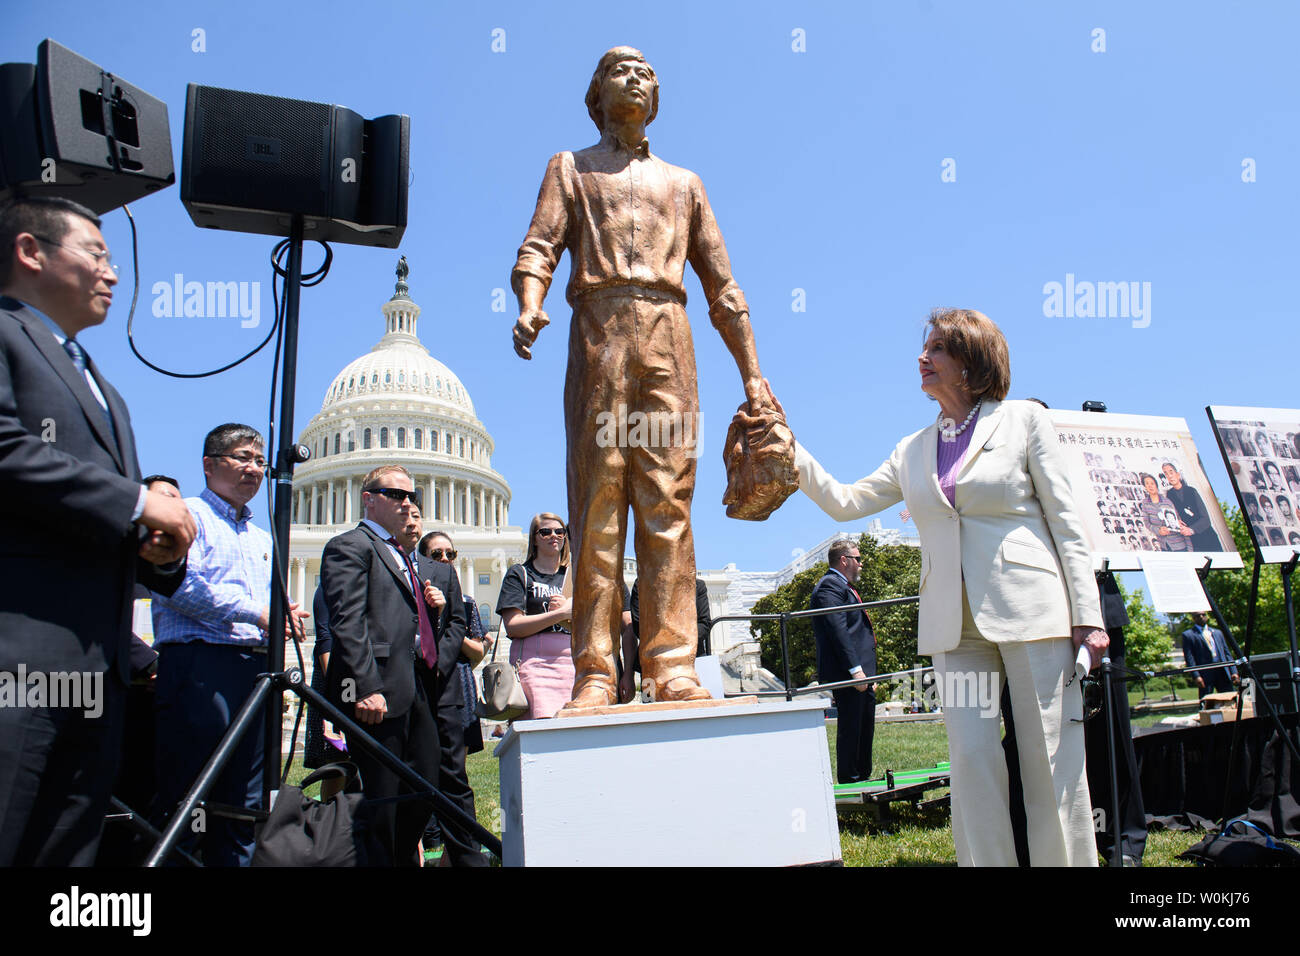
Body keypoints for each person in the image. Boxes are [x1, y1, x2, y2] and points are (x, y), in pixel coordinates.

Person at [771, 307, 1107, 867]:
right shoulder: (911, 449)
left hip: (1035, 611)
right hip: (953, 626)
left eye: (936, 350)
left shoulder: (1024, 421)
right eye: (924, 349)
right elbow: (846, 501)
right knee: (972, 762)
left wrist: (1088, 615)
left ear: (971, 362)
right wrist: (790, 446)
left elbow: (1068, 524)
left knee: (1051, 760)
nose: (921, 359)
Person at [511, 46, 773, 706]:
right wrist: (529, 305)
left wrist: (753, 376)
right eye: (618, 71)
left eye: (646, 73)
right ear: (595, 97)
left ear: (655, 98)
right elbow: (539, 246)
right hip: (597, 332)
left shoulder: (685, 184)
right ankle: (596, 672)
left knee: (667, 504)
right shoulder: (569, 168)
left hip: (668, 335)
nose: (635, 78)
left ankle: (672, 664)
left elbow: (723, 285)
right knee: (597, 508)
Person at [0, 196, 196, 866]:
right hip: (21, 652)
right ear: (32, 252)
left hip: (98, 668)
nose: (113, 274)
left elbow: (98, 518)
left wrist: (159, 554)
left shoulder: (104, 388)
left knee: (69, 854)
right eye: (97, 254)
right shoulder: (3, 334)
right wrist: (136, 502)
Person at [152, 424, 310, 866]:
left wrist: (282, 614)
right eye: (242, 457)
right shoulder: (185, 515)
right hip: (200, 667)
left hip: (253, 670)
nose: (254, 469)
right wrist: (257, 612)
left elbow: (261, 606)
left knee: (244, 803)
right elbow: (178, 586)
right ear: (209, 463)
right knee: (190, 796)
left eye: (260, 461)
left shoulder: (264, 538)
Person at [321, 465, 466, 866]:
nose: (407, 503)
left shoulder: (401, 554)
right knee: (383, 799)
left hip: (415, 687)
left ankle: (400, 858)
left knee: (422, 789)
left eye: (411, 496)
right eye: (395, 495)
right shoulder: (350, 546)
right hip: (378, 690)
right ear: (369, 498)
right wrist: (366, 686)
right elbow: (348, 622)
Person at [415, 525, 490, 867]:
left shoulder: (465, 600)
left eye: (450, 554)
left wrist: (450, 620)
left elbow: (476, 651)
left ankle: (457, 851)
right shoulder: (412, 590)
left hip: (455, 684)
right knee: (420, 769)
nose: (445, 560)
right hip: (421, 685)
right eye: (436, 555)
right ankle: (427, 841)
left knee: (454, 771)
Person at [810, 539, 878, 784]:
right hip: (849, 672)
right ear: (844, 560)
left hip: (861, 673)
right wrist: (856, 671)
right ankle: (851, 779)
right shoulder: (830, 586)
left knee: (864, 725)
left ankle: (862, 775)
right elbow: (838, 630)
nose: (861, 564)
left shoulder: (843, 586)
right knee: (852, 726)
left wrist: (869, 674)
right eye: (858, 559)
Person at [495, 513, 574, 719]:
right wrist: (558, 614)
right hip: (535, 665)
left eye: (559, 532)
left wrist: (569, 614)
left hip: (571, 663)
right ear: (535, 538)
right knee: (541, 725)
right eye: (545, 532)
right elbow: (513, 625)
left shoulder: (573, 576)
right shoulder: (520, 574)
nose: (553, 536)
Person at [1161, 462, 1221, 552]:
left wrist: (1191, 530)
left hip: (1208, 538)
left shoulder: (1191, 491)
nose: (1169, 476)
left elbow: (1206, 519)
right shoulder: (1169, 495)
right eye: (1166, 474)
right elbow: (1173, 516)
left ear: (1177, 475)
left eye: (1171, 472)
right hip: (1192, 543)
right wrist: (1177, 522)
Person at [1181, 612, 1239, 696]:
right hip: (1205, 674)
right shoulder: (1188, 635)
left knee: (1230, 698)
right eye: (1198, 616)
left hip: (1222, 671)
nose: (1201, 617)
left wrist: (1233, 671)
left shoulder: (1217, 632)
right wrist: (1196, 676)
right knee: (1205, 702)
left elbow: (1227, 653)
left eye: (1203, 615)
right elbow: (1189, 658)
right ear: (1193, 618)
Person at [1137, 473, 1188, 551]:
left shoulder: (1167, 501)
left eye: (1152, 483)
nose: (1150, 486)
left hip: (1179, 544)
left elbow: (1177, 519)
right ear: (1145, 488)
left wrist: (1177, 523)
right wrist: (1158, 531)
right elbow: (1147, 524)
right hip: (1164, 546)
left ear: (1156, 485)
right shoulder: (1145, 504)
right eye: (1147, 484)